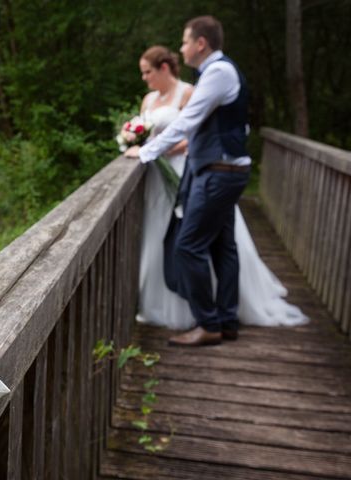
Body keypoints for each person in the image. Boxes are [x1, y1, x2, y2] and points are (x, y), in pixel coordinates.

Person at [125, 16, 307, 346]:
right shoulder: (215, 73)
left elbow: (187, 123)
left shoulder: (219, 72)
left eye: (184, 41)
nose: (180, 48)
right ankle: (226, 321)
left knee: (188, 246)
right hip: (223, 170)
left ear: (200, 43)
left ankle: (208, 323)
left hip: (220, 172)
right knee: (225, 247)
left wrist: (146, 152)